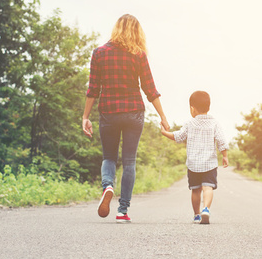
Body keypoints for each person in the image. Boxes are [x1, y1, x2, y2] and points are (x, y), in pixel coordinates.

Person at [82, 14, 170, 223]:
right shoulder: (138, 55)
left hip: (109, 112)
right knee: (129, 161)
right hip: (134, 112)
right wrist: (163, 117)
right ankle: (123, 211)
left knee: (109, 157)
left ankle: (108, 186)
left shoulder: (99, 53)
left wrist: (85, 116)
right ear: (136, 31)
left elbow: (93, 89)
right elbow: (150, 89)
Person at [160, 91, 229, 224]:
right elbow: (221, 140)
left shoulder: (189, 123)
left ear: (192, 108)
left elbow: (178, 136)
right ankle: (206, 210)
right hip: (209, 164)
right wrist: (224, 156)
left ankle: (197, 215)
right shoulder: (215, 123)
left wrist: (165, 133)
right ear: (208, 107)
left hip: (193, 164)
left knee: (195, 190)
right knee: (208, 188)